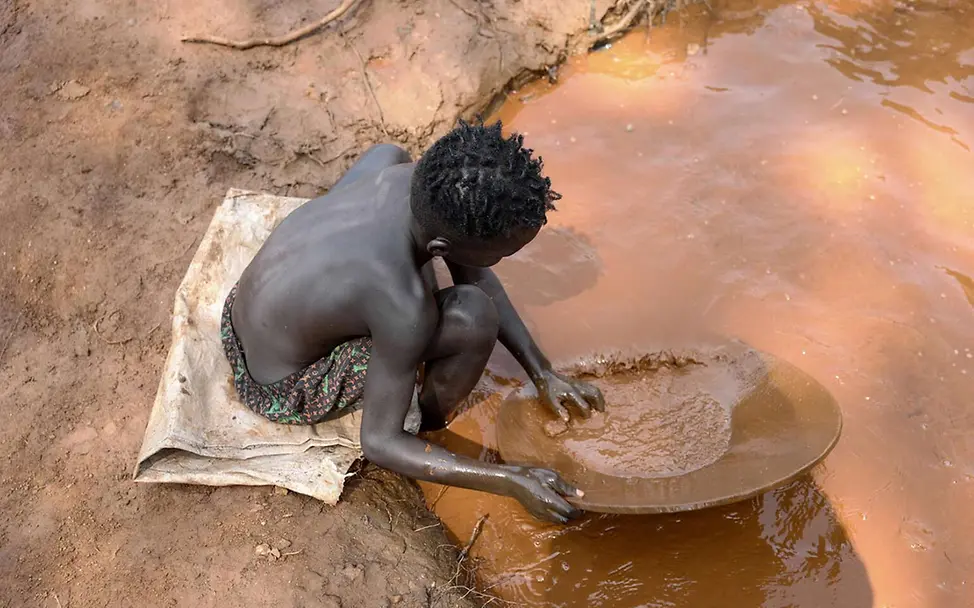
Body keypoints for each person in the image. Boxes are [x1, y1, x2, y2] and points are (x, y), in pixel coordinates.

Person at [220, 119, 605, 523]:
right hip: (278, 386)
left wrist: (543, 372)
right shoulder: (402, 304)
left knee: (387, 152)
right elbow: (380, 442)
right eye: (501, 255)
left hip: (242, 313)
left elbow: (470, 267)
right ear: (443, 246)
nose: (501, 264)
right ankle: (428, 418)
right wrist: (508, 478)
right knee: (471, 317)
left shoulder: (404, 176)